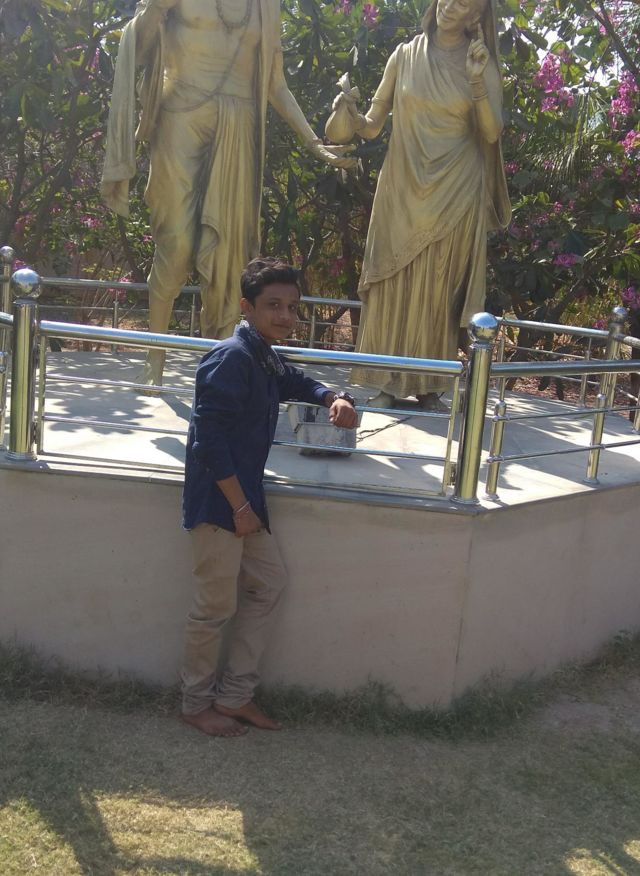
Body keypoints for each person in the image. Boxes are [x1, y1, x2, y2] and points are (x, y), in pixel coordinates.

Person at [101, 0, 355, 386]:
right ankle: (155, 355)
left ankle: (220, 363)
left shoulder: (265, 6)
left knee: (228, 256)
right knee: (176, 244)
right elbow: (137, 51)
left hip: (238, 123)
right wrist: (154, 9)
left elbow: (275, 83)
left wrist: (313, 142)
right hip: (180, 117)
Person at [181, 257, 357, 736]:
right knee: (213, 609)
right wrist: (239, 508)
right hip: (220, 504)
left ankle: (235, 696)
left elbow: (293, 380)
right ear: (247, 307)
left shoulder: (262, 353)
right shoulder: (231, 358)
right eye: (273, 305)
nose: (285, 316)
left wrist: (332, 396)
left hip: (246, 500)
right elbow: (206, 443)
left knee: (269, 584)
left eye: (292, 307)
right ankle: (195, 704)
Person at [326, 0, 511, 410]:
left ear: (475, 16)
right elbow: (373, 125)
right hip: (401, 186)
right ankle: (384, 381)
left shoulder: (480, 63)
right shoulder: (405, 55)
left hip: (454, 190)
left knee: (437, 290)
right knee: (392, 285)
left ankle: (429, 386)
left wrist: (477, 82)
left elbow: (491, 130)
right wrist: (350, 113)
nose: (450, 6)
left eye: (463, 3)